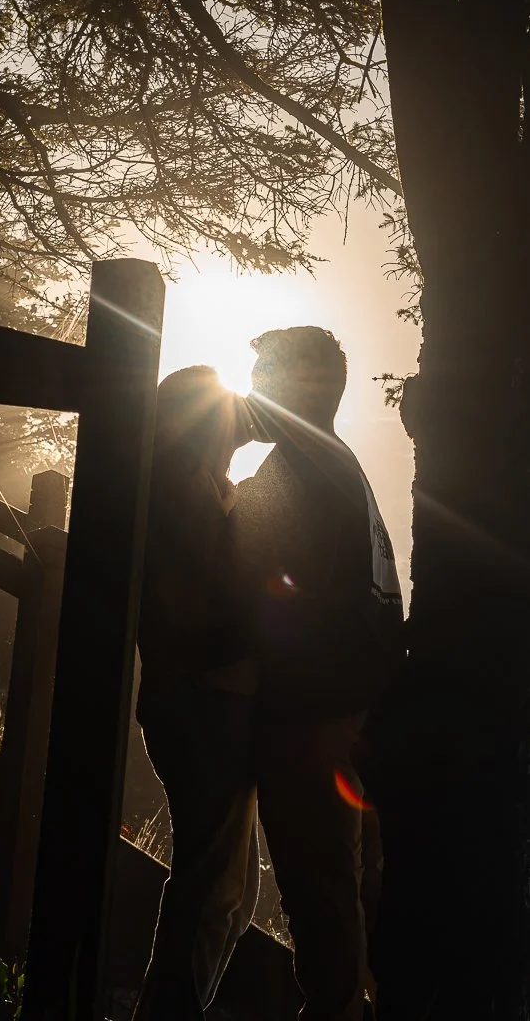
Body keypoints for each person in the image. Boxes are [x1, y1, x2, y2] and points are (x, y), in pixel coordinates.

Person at [233, 327, 405, 1021]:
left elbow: (259, 594)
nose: (255, 389)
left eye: (266, 374)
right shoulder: (344, 470)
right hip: (357, 709)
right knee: (353, 885)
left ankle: (332, 1010)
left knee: (318, 886)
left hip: (308, 716)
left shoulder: (292, 475)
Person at [133, 365, 261, 1021]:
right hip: (203, 699)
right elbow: (205, 600)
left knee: (226, 893)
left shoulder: (201, 480)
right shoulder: (181, 480)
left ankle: (171, 1007)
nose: (238, 414)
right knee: (212, 890)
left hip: (207, 698)